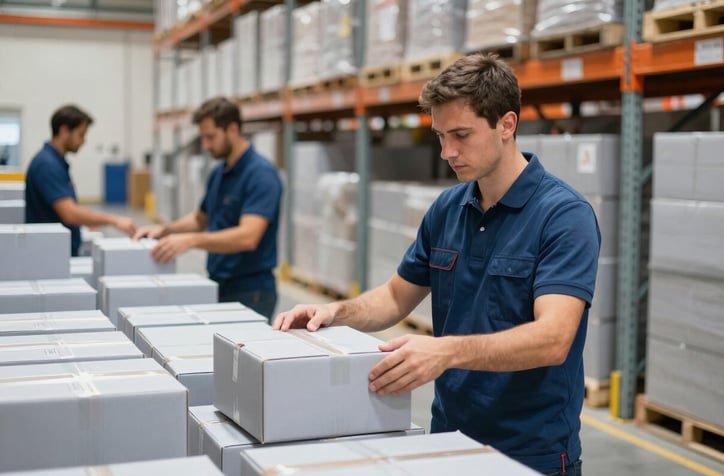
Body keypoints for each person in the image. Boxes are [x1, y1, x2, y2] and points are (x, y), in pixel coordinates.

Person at [274, 54, 600, 475]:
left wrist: (444, 351)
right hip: (449, 438)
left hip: (529, 451)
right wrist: (336, 312)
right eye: (441, 136)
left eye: (461, 135)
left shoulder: (563, 215)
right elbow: (395, 296)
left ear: (507, 124)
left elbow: (553, 338)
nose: (448, 152)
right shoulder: (448, 208)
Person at [133, 97, 282, 320]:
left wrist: (192, 241)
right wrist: (165, 230)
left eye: (210, 137)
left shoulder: (260, 175)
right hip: (219, 282)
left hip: (252, 292)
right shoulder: (219, 172)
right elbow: (201, 219)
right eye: (202, 137)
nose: (205, 145)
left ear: (232, 129)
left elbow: (248, 237)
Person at [25, 105, 137, 256]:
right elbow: (69, 213)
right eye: (81, 134)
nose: (84, 140)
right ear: (64, 131)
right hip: (49, 254)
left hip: (56, 250)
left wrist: (87, 220)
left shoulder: (54, 161)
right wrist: (114, 220)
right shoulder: (47, 165)